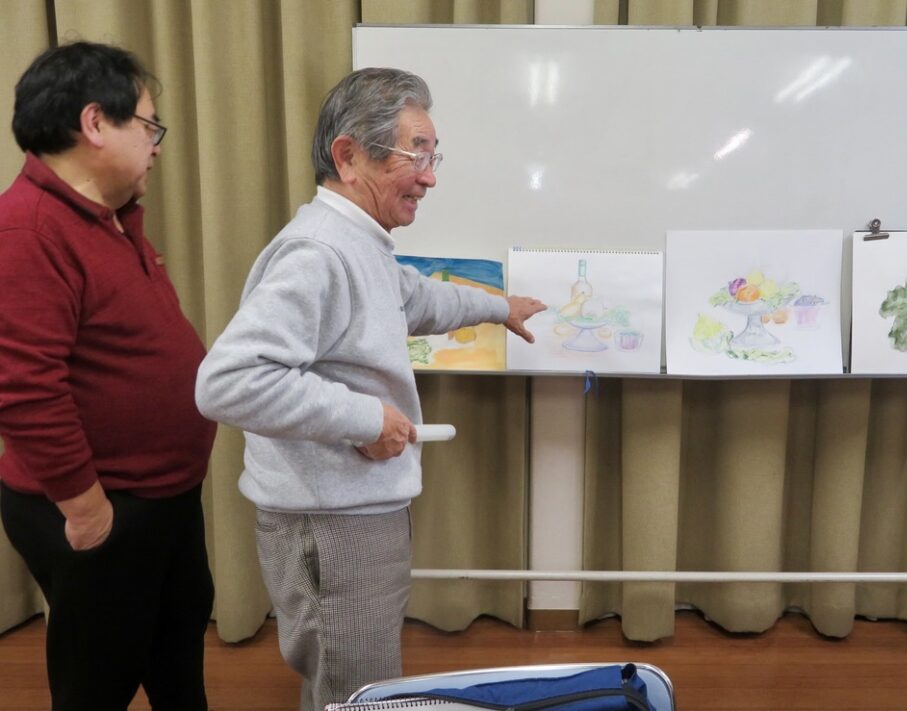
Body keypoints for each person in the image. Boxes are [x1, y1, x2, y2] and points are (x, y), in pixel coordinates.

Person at [194, 67, 545, 711]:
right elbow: (230, 382)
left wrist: (500, 308)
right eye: (417, 153)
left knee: (355, 682)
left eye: (433, 156)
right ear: (349, 156)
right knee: (355, 692)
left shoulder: (361, 244)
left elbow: (417, 298)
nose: (430, 177)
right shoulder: (320, 252)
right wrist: (365, 419)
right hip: (332, 525)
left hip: (352, 513)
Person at [0, 42, 215, 710]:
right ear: (95, 123)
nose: (156, 145)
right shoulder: (26, 229)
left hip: (160, 496)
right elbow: (23, 389)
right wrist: (87, 509)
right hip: (102, 505)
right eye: (149, 126)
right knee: (97, 684)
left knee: (177, 659)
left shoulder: (110, 220)